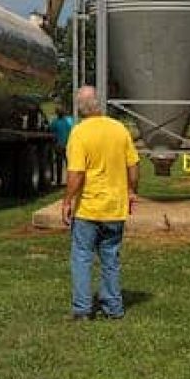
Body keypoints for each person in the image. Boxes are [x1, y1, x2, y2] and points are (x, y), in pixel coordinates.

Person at [61, 84, 140, 321]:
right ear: (99, 104)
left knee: (82, 258)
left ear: (80, 109)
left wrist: (67, 201)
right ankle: (113, 308)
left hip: (88, 208)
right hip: (115, 208)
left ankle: (83, 309)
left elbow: (76, 173)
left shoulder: (79, 133)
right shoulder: (119, 129)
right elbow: (134, 166)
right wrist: (131, 190)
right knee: (111, 258)